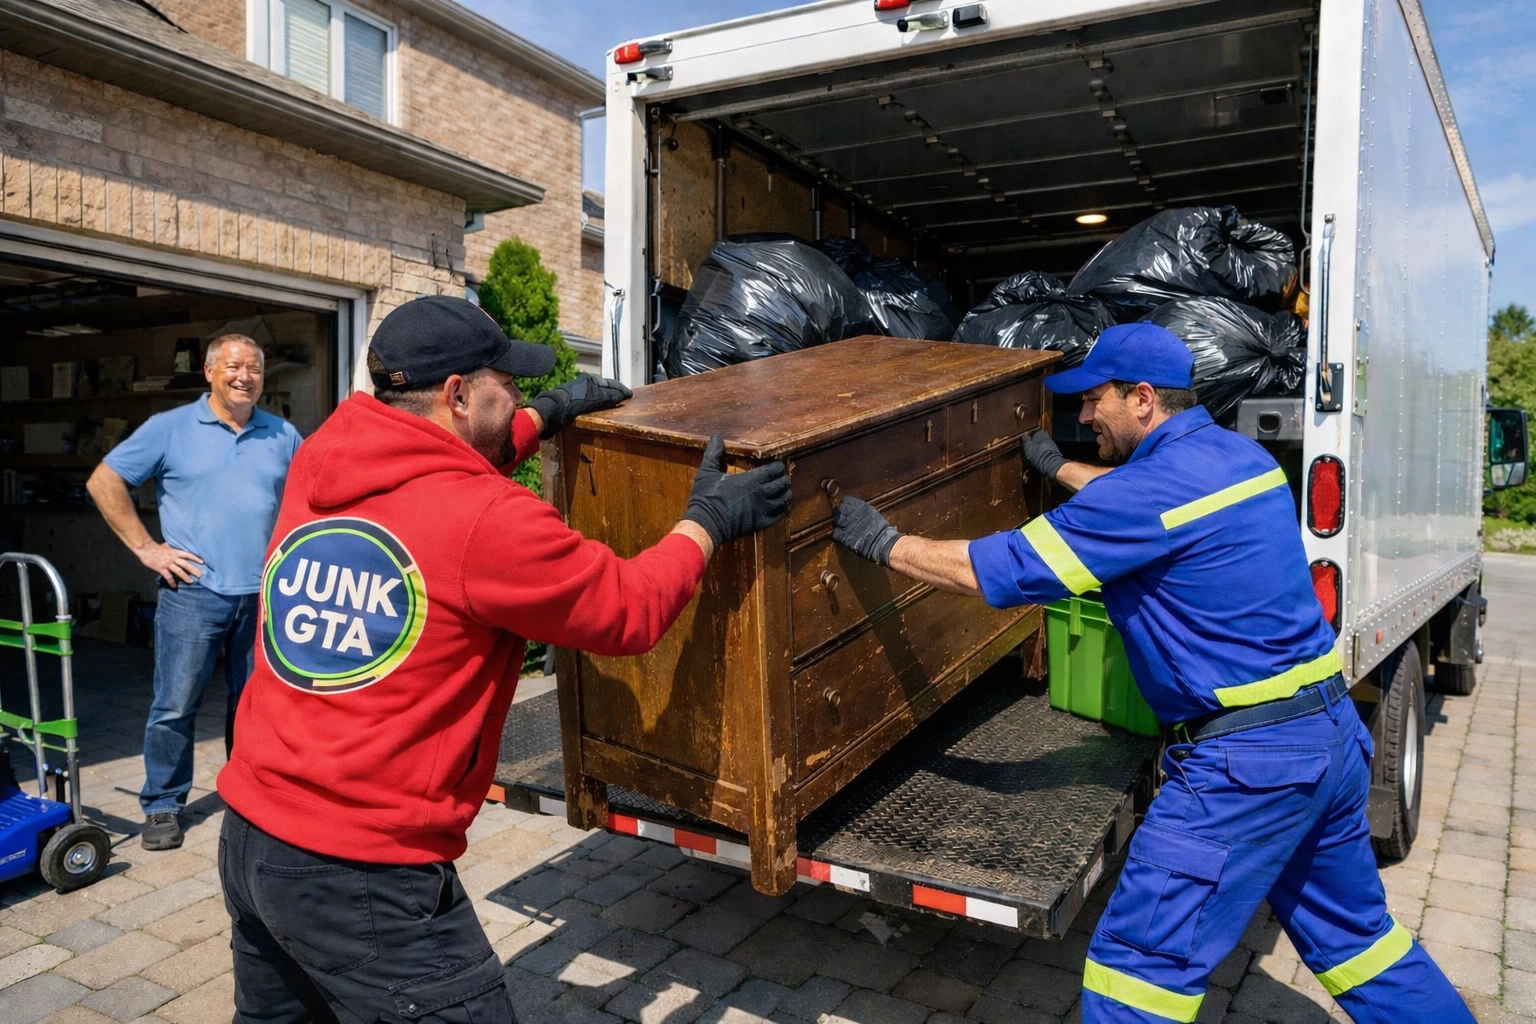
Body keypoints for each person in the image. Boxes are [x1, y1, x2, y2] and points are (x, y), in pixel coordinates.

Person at [830, 323, 1474, 1024]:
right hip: (1329, 740)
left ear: (1141, 399)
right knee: (1362, 945)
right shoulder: (1244, 460)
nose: (1080, 418)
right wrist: (1058, 470)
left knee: (1135, 975)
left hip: (1247, 770)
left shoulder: (1143, 494)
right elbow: (1150, 504)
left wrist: (887, 544)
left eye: (1091, 401)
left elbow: (1001, 570)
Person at [216, 294, 790, 1022]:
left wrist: (545, 414)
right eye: (507, 381)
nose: (517, 391)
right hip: (362, 870)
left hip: (251, 836)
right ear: (457, 394)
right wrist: (709, 519)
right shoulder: (490, 521)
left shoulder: (325, 454)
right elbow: (630, 609)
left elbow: (434, 466)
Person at [87, 333, 302, 852]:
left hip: (266, 596)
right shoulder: (170, 428)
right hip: (194, 593)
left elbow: (308, 499)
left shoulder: (283, 434)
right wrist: (147, 549)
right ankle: (163, 804)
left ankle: (247, 794)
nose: (244, 376)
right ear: (209, 371)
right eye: (233, 366)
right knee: (174, 704)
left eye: (254, 368)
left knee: (253, 704)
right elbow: (104, 481)